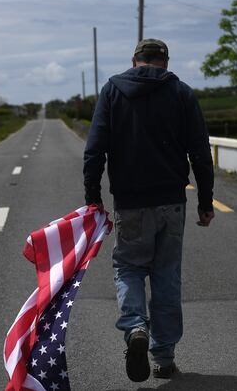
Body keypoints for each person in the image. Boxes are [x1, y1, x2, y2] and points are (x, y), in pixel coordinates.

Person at [82, 39, 215, 382]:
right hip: (172, 202)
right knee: (166, 275)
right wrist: (205, 202)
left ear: (134, 60)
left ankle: (135, 327)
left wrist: (92, 199)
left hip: (130, 203)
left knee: (128, 267)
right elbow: (201, 151)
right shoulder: (181, 92)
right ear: (165, 62)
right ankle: (164, 359)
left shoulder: (113, 91)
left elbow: (95, 150)